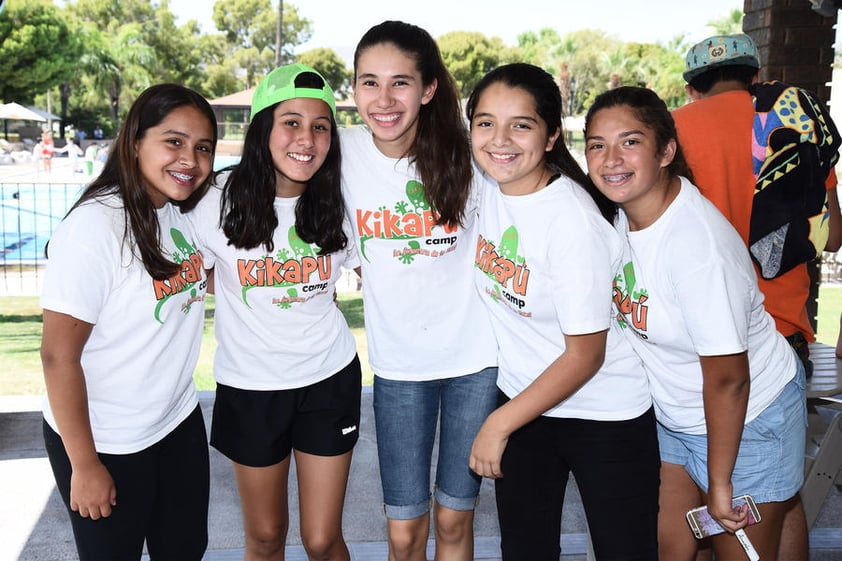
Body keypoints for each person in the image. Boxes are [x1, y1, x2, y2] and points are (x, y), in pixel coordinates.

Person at [584, 85, 807, 561]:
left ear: (666, 150)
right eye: (597, 145)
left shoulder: (696, 247)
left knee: (739, 551)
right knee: (669, 546)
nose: (610, 159)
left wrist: (721, 481)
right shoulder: (626, 214)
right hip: (676, 417)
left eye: (629, 141)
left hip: (748, 418)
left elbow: (729, 378)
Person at [465, 63, 660, 561]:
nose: (500, 139)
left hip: (603, 412)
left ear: (551, 135)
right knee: (525, 551)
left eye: (521, 125)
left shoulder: (571, 221)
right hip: (529, 403)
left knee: (625, 551)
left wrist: (498, 424)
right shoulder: (489, 186)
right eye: (485, 122)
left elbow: (585, 355)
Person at [672, 33, 842, 559]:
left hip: (695, 335)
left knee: (695, 486)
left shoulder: (671, 129)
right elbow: (830, 235)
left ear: (692, 85)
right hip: (781, 333)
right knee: (779, 497)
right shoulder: (790, 124)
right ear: (754, 73)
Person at [189, 63, 361, 561]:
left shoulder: (339, 202)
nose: (306, 138)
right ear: (264, 127)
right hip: (251, 387)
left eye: (320, 126)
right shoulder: (214, 202)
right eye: (291, 121)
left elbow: (387, 275)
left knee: (323, 540)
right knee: (265, 538)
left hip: (327, 379)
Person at [340, 20, 498, 561]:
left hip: (475, 364)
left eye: (400, 82)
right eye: (368, 82)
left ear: (428, 89)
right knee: (404, 532)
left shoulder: (471, 158)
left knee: (455, 522)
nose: (383, 99)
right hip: (399, 369)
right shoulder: (340, 155)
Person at [39, 83, 217, 561]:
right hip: (106, 437)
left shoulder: (178, 215)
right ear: (135, 141)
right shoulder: (95, 227)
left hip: (175, 421)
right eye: (174, 141)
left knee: (183, 550)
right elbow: (58, 356)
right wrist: (85, 464)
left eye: (203, 148)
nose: (191, 159)